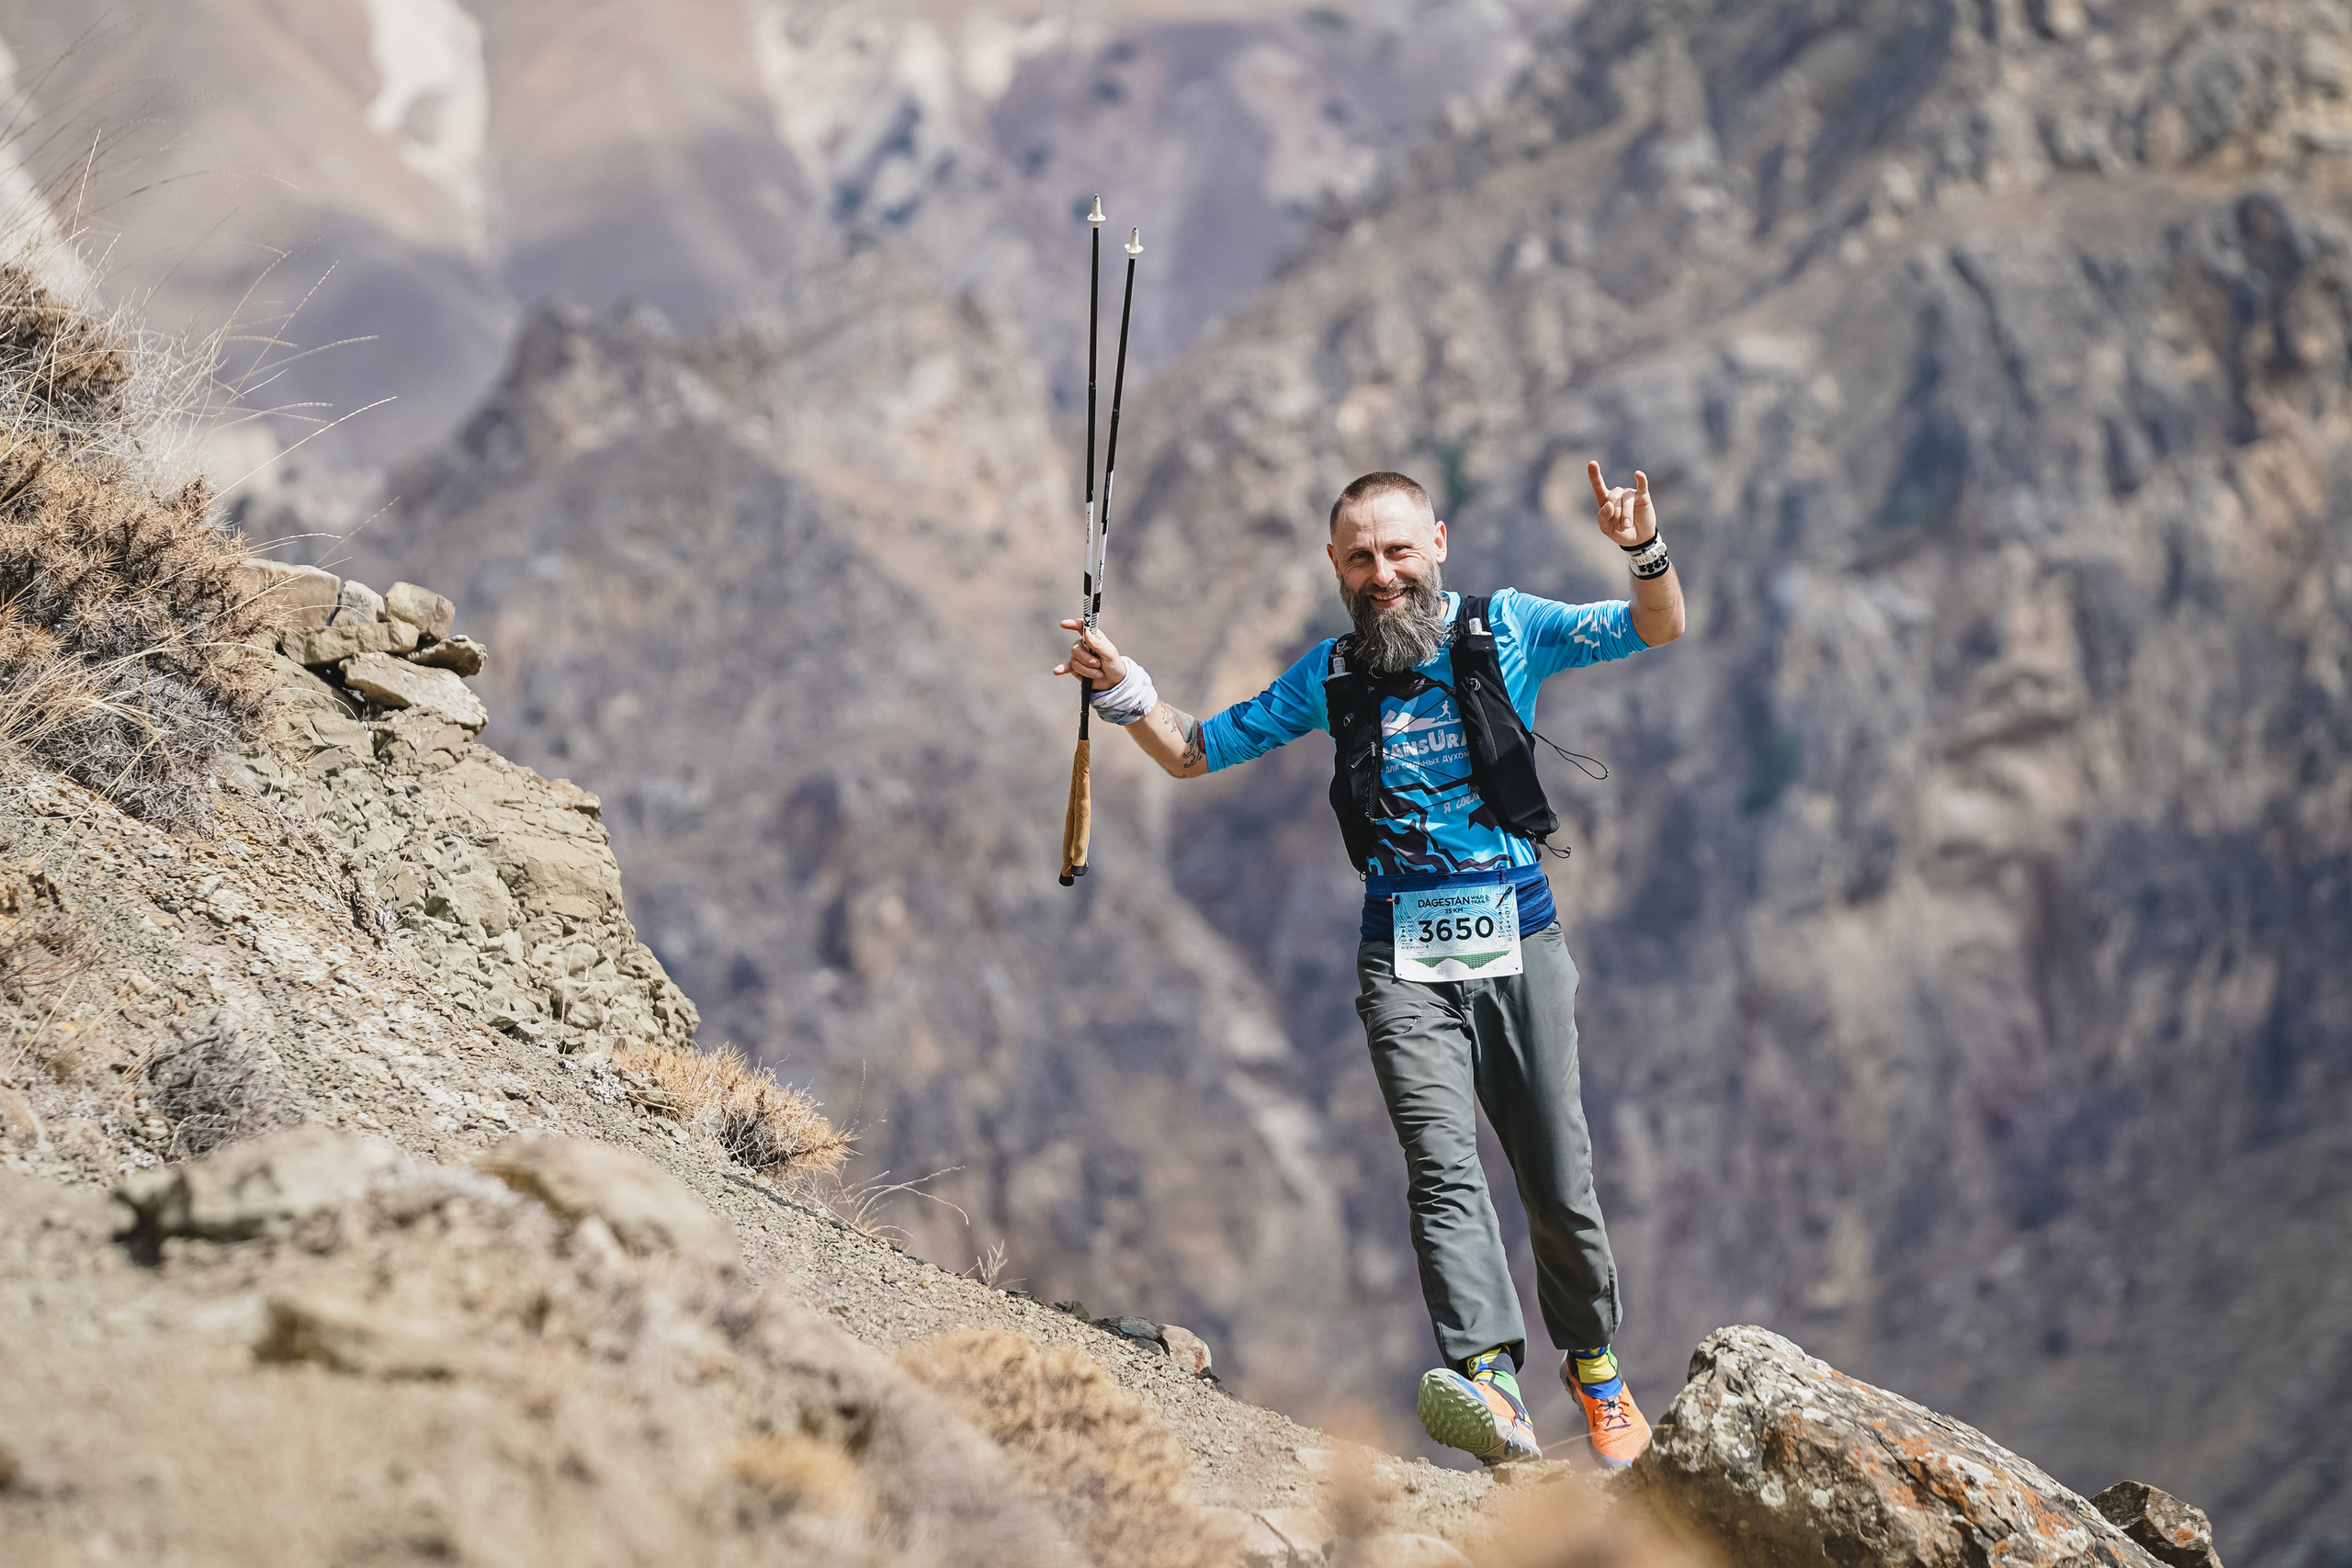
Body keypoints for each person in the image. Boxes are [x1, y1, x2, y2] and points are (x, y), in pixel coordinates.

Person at [1053, 462, 1683, 1469]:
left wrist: (1640, 549)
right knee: (1441, 1172)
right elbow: (1195, 752)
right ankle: (1490, 1385)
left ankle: (1594, 1367)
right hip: (1401, 959)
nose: (1381, 573)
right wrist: (1124, 687)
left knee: (1556, 1175)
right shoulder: (1332, 675)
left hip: (1519, 938)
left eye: (1397, 550)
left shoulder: (1507, 629)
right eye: (1360, 557)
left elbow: (1657, 626)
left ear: (1437, 544)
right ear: (1336, 568)